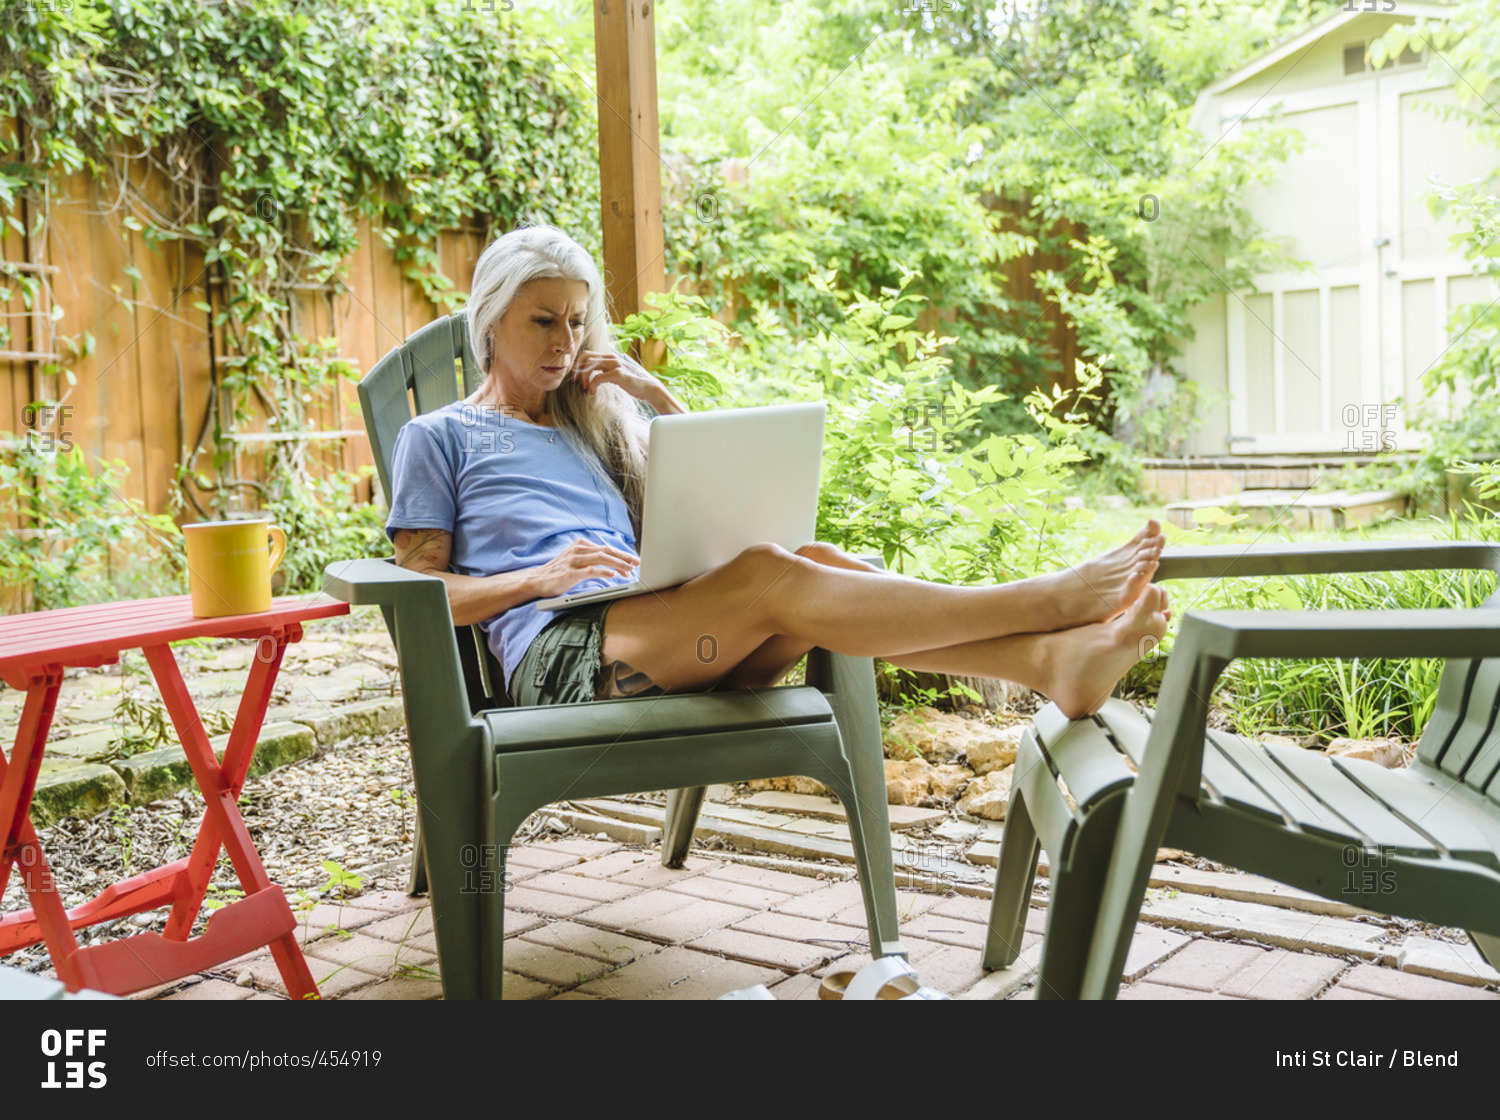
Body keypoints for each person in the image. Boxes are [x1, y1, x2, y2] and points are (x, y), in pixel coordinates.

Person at [386, 226, 1169, 720]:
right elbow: (419, 596)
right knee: (770, 575)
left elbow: (718, 498)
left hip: (656, 628)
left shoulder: (590, 425)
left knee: (814, 564)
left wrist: (653, 397)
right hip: (562, 657)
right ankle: (1047, 602)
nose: (565, 339)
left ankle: (1049, 663)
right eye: (543, 320)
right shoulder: (440, 436)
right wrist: (537, 579)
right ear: (490, 323)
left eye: (577, 319)